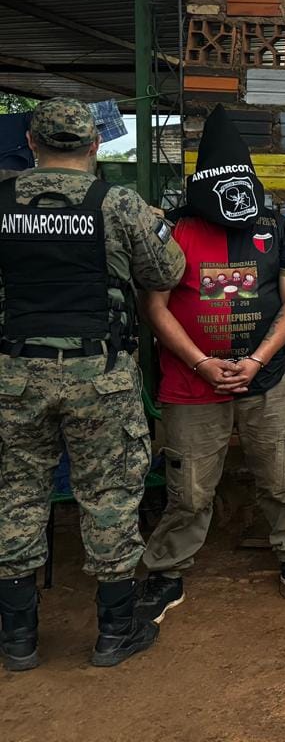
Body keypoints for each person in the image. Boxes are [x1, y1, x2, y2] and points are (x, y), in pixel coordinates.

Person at [0, 98, 185, 671]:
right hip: (99, 375)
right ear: (94, 146)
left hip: (14, 375)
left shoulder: (1, 201)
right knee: (109, 497)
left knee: (15, 496)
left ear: (31, 142)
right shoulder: (118, 203)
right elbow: (167, 272)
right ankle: (114, 630)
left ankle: (18, 638)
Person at [134, 104, 285, 624]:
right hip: (190, 383)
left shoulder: (278, 229)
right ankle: (168, 569)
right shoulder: (172, 232)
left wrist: (258, 357)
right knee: (189, 487)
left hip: (267, 377)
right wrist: (200, 363)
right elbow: (153, 307)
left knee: (280, 475)